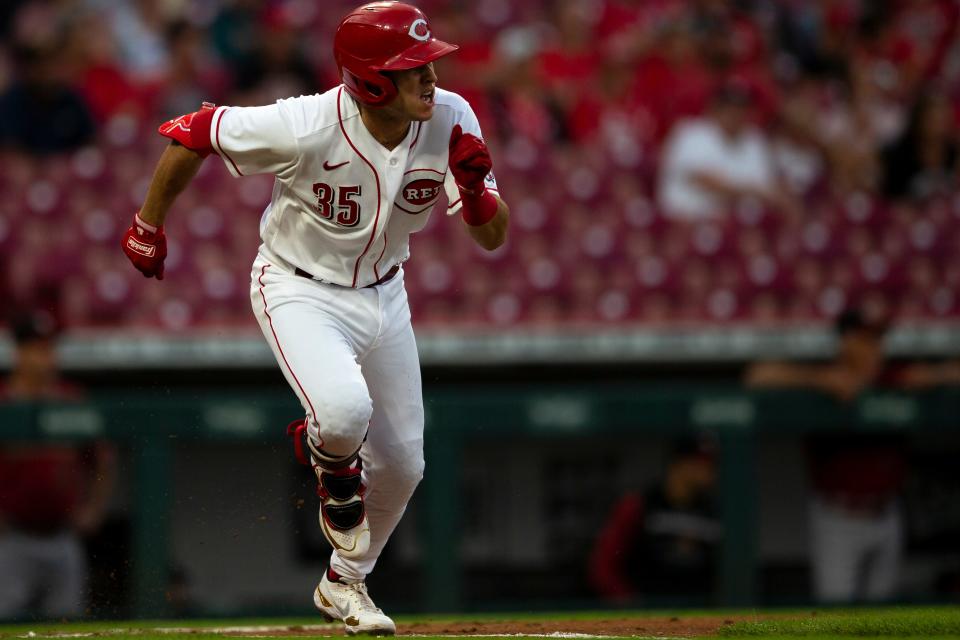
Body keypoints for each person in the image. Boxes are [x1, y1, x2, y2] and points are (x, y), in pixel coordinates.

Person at [120, 3, 509, 634]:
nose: (431, 78)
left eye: (429, 64)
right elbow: (193, 132)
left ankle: (344, 584)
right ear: (371, 81)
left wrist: (476, 195)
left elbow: (493, 238)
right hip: (299, 288)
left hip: (387, 292)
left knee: (407, 462)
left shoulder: (452, 116)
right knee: (344, 411)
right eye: (413, 68)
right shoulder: (303, 123)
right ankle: (331, 451)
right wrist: (147, 223)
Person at [745, 310, 960, 603]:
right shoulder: (826, 376)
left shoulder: (894, 377)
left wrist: (933, 375)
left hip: (887, 515)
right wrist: (816, 379)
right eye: (866, 340)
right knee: (837, 616)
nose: (876, 348)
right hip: (838, 518)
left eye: (878, 340)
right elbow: (757, 376)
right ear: (845, 342)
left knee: (882, 618)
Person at [0, 311, 116, 619]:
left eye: (49, 348)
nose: (44, 357)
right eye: (36, 348)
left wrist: (93, 509)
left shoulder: (72, 399)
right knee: (6, 620)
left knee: (67, 623)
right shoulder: (4, 400)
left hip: (63, 537)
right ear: (19, 352)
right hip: (12, 538)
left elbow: (103, 461)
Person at [588, 437, 721, 604]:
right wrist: (626, 599)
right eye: (701, 463)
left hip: (700, 608)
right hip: (648, 608)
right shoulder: (640, 504)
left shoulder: (712, 510)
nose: (709, 471)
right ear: (679, 464)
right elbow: (603, 563)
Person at [658, 81, 795, 220]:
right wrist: (753, 191)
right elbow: (703, 180)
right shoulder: (690, 132)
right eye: (730, 108)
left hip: (742, 224)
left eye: (742, 108)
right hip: (690, 221)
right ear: (714, 108)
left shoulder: (754, 139)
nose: (736, 114)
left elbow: (768, 183)